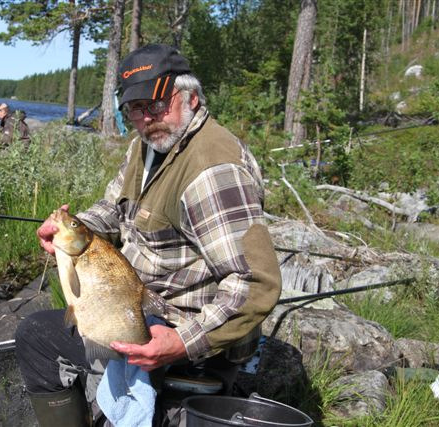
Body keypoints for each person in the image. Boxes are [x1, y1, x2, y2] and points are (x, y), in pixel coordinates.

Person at [15, 44, 282, 426]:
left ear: (190, 96)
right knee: (37, 333)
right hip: (137, 306)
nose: (146, 118)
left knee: (37, 338)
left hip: (183, 332)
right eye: (135, 109)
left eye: (155, 104)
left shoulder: (212, 172)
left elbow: (255, 283)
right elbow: (114, 208)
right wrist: (71, 230)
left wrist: (180, 343)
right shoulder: (151, 145)